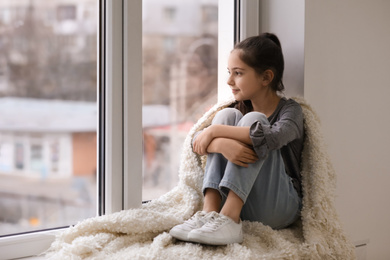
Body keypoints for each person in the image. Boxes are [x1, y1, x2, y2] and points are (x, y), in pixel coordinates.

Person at [169, 33, 304, 246]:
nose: (229, 81)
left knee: (254, 120)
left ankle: (230, 218)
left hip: (279, 207)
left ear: (266, 77)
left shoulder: (291, 111)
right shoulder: (235, 109)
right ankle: (210, 212)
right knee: (226, 116)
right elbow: (196, 140)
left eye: (238, 73)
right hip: (244, 201)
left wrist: (215, 132)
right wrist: (222, 143)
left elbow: (274, 137)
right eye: (229, 72)